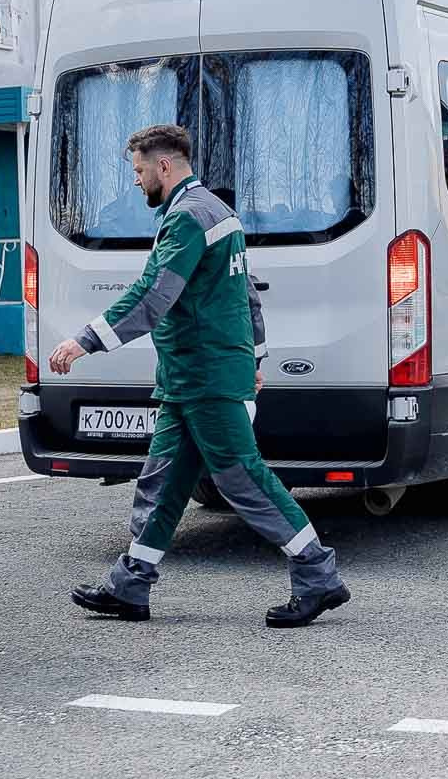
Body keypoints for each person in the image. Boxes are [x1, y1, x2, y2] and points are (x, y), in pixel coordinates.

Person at [48, 123, 350, 627]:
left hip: (205, 375)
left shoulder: (188, 219)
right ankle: (131, 586)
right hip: (191, 377)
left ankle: (317, 573)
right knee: (163, 482)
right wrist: (255, 356)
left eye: (140, 170)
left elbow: (152, 295)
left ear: (163, 166)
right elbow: (246, 294)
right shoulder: (219, 213)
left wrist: (84, 341)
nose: (138, 181)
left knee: (242, 476)